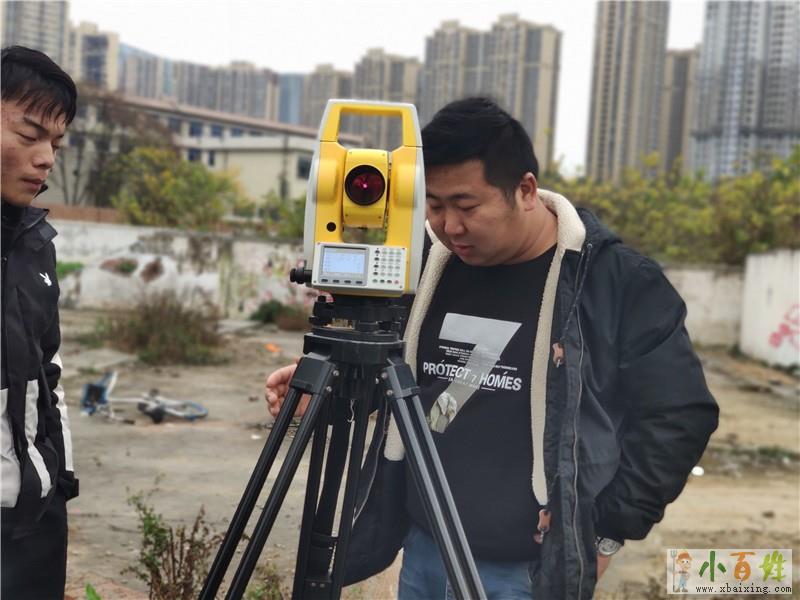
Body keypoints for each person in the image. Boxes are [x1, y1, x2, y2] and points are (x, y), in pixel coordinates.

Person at [265, 97, 719, 599]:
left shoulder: (615, 282)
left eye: (466, 206)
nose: (450, 226)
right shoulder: (425, 265)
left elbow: (679, 415)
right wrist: (334, 391)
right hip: (424, 550)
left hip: (526, 571)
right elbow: (415, 389)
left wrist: (608, 530)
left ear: (525, 190)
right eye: (434, 206)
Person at [1, 45, 79, 599]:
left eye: (55, 143)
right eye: (30, 136)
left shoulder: (35, 244)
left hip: (34, 516)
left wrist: (60, 477)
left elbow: (49, 373)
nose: (46, 158)